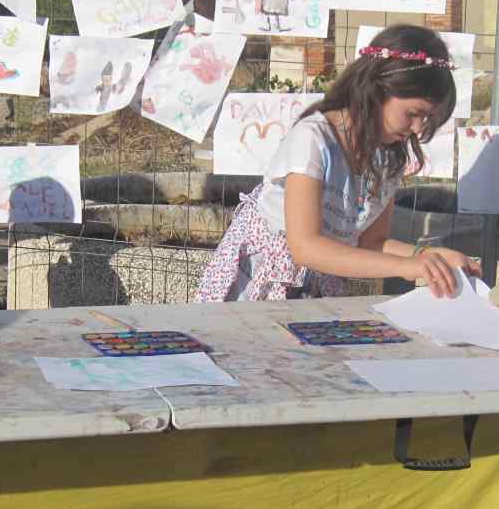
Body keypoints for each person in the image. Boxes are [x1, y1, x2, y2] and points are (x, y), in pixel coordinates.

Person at [195, 24, 479, 303]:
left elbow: (373, 244)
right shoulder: (313, 140)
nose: (418, 129)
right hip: (258, 287)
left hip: (312, 289)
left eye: (428, 119)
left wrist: (428, 258)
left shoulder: (387, 159)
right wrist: (406, 267)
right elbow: (305, 246)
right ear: (378, 89)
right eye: (413, 113)